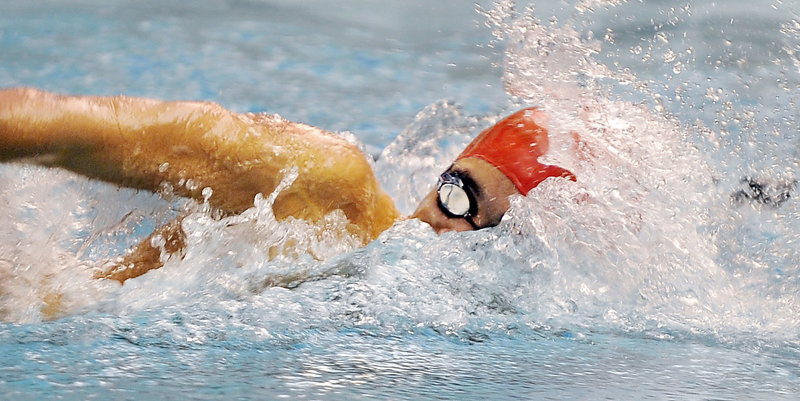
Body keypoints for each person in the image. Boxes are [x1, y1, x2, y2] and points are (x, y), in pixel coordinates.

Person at [0, 87, 576, 284]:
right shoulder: (325, 188)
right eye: (457, 191)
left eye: (496, 236)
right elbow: (94, 130)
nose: (447, 229)